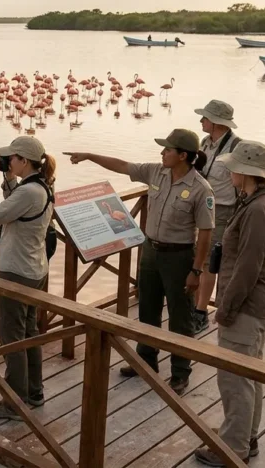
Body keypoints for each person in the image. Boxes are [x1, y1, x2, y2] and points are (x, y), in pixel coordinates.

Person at [67, 129, 214, 395]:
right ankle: (145, 361)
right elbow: (123, 166)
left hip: (180, 257)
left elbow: (205, 233)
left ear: (183, 155)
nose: (162, 153)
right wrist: (89, 155)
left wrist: (196, 270)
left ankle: (181, 372)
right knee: (147, 308)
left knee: (180, 318)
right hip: (151, 251)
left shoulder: (201, 189)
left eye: (167, 150)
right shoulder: (155, 172)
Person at [192, 141, 265, 466]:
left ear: (246, 173)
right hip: (261, 299)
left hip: (247, 305)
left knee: (234, 378)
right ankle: (246, 436)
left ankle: (233, 449)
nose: (228, 171)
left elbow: (248, 267)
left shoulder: (260, 209)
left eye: (232, 167)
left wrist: (226, 308)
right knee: (250, 373)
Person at [0, 135, 57, 421]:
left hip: (16, 272)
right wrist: (9, 181)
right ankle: (34, 392)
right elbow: (20, 207)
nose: (7, 162)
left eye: (11, 158)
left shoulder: (29, 192)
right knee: (28, 333)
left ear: (24, 161)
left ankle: (14, 403)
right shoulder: (42, 186)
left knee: (12, 338)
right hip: (35, 269)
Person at [191, 100, 242, 334]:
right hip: (201, 206)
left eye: (205, 117)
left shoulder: (236, 148)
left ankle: (201, 312)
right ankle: (192, 305)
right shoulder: (205, 143)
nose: (201, 120)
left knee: (210, 261)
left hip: (222, 211)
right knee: (196, 259)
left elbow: (243, 185)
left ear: (216, 122)